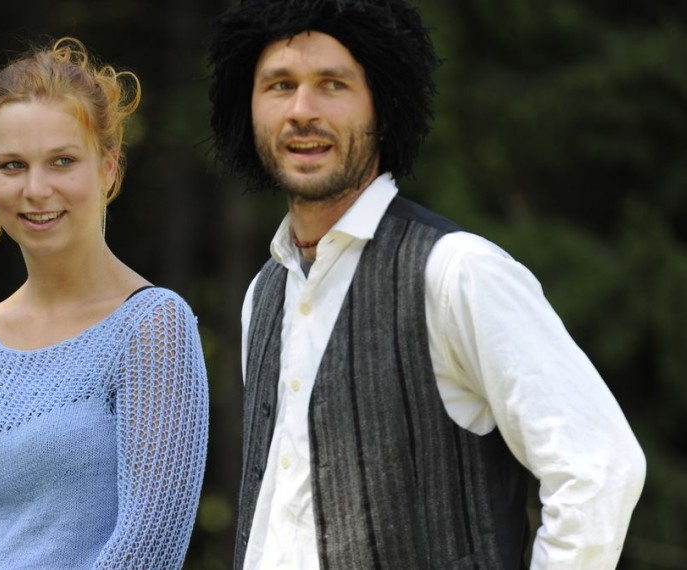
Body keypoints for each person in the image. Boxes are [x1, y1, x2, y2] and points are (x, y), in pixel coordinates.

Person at [206, 1, 646, 568]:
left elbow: (599, 467)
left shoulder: (456, 272)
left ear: (383, 107)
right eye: (280, 85)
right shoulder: (264, 295)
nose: (302, 110)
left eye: (333, 84)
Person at [0, 37, 209, 569]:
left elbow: (149, 547)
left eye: (62, 161)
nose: (37, 189)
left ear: (108, 167)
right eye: (13, 165)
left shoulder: (153, 327)